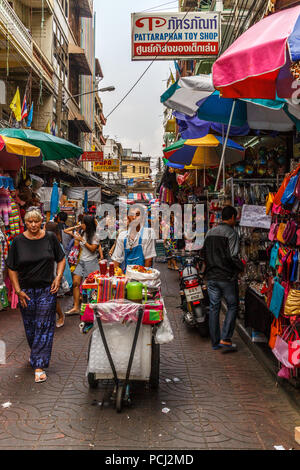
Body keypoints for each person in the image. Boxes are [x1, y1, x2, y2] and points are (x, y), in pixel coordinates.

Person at [7, 207, 66, 383]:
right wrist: (18, 290)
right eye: (29, 222)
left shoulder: (50, 238)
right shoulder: (17, 241)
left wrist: (58, 277)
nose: (33, 225)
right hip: (26, 291)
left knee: (43, 326)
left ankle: (39, 365)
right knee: (31, 327)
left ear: (42, 221)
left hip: (47, 290)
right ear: (24, 223)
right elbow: (12, 267)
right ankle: (36, 352)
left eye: (36, 221)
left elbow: (61, 258)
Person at [203, 206, 244, 352]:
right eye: (235, 217)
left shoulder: (210, 232)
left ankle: (215, 341)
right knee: (232, 305)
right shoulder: (231, 233)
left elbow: (203, 254)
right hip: (226, 276)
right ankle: (225, 339)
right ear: (232, 217)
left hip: (212, 276)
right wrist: (240, 268)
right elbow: (233, 256)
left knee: (214, 307)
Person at [64, 215, 101, 315]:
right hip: (80, 262)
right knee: (76, 283)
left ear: (88, 224)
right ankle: (76, 307)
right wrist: (77, 227)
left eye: (83, 223)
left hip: (91, 262)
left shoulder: (95, 235)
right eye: (81, 222)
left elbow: (93, 249)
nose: (82, 224)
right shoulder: (81, 232)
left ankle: (92, 308)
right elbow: (66, 231)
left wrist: (82, 240)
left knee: (92, 287)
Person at [45, 222, 73, 328]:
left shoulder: (55, 243)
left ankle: (60, 316)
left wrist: (59, 277)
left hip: (53, 273)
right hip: (44, 273)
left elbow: (60, 262)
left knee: (52, 298)